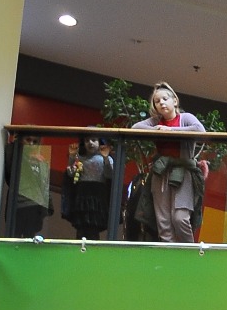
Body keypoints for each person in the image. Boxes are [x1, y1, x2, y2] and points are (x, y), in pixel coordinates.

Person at [130, 81, 209, 244]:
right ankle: (169, 256)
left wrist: (171, 130)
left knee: (180, 217)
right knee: (163, 222)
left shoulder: (185, 118)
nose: (161, 103)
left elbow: (200, 130)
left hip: (183, 172)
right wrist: (156, 129)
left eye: (165, 99)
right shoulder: (155, 121)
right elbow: (135, 127)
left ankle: (190, 253)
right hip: (161, 173)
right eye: (157, 101)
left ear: (175, 101)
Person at [66, 136, 112, 240]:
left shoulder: (106, 158)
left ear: (100, 142)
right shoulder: (79, 158)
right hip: (83, 195)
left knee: (93, 229)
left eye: (94, 140)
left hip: (98, 196)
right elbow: (70, 173)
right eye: (87, 140)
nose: (90, 143)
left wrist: (106, 158)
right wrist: (71, 157)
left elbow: (110, 175)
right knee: (81, 228)